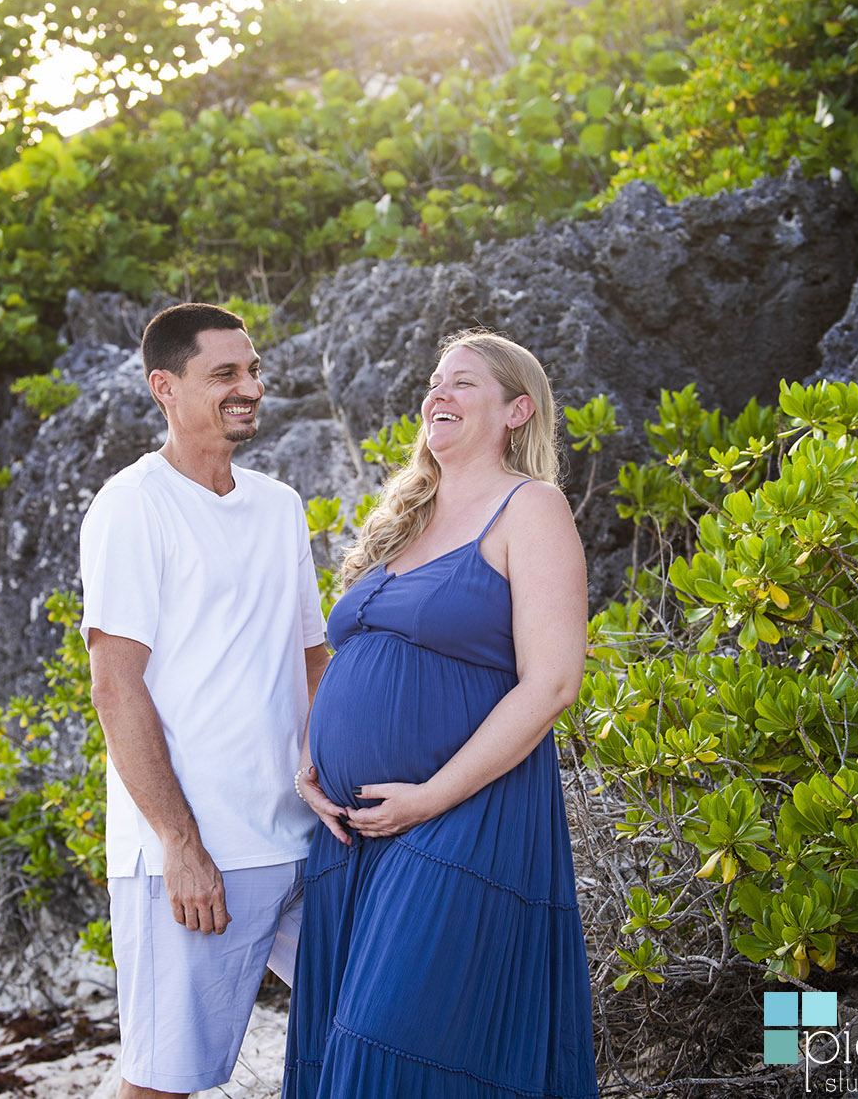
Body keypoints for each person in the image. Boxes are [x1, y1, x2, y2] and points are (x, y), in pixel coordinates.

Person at [284, 330, 599, 1099]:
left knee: (392, 1047)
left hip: (465, 815)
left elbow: (553, 682)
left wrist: (433, 796)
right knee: (344, 1043)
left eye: (463, 384)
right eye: (434, 382)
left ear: (516, 411)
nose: (438, 395)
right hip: (352, 829)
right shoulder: (401, 524)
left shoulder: (532, 507)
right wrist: (310, 763)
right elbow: (338, 664)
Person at [79, 303, 328, 1099]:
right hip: (197, 860)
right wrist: (181, 848)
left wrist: (327, 779)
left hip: (302, 843)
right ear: (165, 387)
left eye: (252, 370)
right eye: (225, 374)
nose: (249, 387)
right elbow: (115, 685)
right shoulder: (132, 505)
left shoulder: (279, 504)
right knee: (164, 1083)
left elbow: (312, 657)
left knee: (371, 1028)